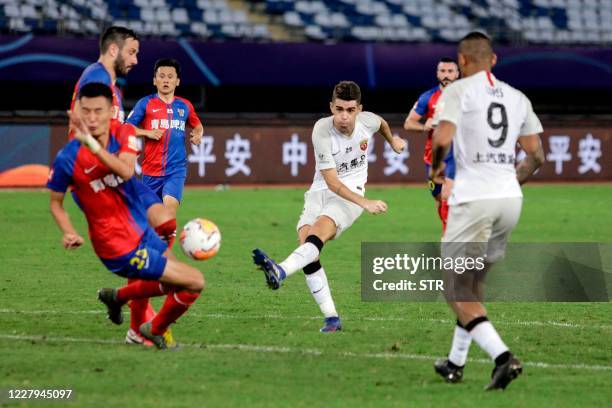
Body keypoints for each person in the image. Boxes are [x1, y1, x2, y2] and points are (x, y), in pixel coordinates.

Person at [48, 83, 205, 349]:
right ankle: (152, 328)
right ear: (77, 113)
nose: (93, 118)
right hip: (116, 245)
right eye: (86, 111)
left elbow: (126, 171)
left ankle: (119, 300)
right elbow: (56, 203)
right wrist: (68, 230)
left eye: (99, 111)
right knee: (194, 282)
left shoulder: (124, 133)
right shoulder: (68, 158)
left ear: (112, 111)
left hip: (141, 230)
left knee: (173, 284)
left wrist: (96, 149)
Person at [430, 32, 545, 390]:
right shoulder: (517, 96)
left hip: (473, 198)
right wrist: (509, 183)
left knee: (455, 290)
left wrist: (436, 171)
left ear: (462, 61)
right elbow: (537, 156)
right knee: (473, 288)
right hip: (510, 199)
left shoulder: (457, 91)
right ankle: (455, 363)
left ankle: (502, 357)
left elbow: (443, 138)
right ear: (493, 59)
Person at [252, 81, 407, 332]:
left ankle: (279, 271)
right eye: (339, 109)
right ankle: (332, 318)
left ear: (359, 109)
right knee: (308, 250)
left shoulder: (368, 121)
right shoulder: (321, 130)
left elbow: (383, 125)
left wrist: (393, 142)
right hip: (321, 191)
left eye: (350, 110)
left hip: (351, 195)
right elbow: (332, 182)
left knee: (316, 236)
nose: (344, 116)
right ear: (331, 107)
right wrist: (367, 204)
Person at [69, 26, 177, 346]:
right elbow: (80, 128)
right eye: (132, 52)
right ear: (113, 51)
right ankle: (136, 321)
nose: (136, 59)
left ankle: (127, 301)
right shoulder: (96, 80)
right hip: (99, 181)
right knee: (151, 239)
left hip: (118, 178)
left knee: (164, 227)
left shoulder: (110, 85)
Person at [126, 58, 204, 219]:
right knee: (150, 218)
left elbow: (197, 125)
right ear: (155, 80)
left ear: (178, 81)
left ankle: (166, 241)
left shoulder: (185, 106)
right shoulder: (145, 103)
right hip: (150, 171)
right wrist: (146, 133)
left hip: (176, 170)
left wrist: (198, 134)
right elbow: (125, 128)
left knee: (168, 211)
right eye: (161, 76)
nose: (166, 80)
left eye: (170, 76)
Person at [404, 57, 460, 232]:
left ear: (457, 74)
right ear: (437, 73)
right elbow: (408, 123)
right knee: (439, 199)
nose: (446, 75)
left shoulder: (466, 96)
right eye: (443, 71)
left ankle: (450, 238)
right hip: (434, 157)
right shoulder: (428, 97)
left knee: (449, 196)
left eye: (450, 71)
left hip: (459, 155)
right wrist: (424, 126)